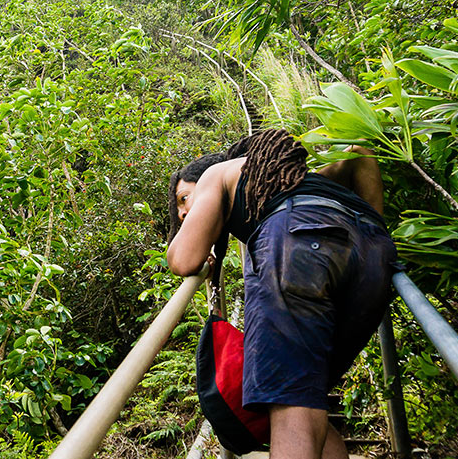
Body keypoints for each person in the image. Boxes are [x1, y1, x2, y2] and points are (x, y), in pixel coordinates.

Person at [166, 129, 396, 459]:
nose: (185, 213)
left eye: (185, 200)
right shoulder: (299, 180)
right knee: (305, 394)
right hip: (375, 257)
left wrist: (194, 237)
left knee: (292, 407)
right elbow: (360, 149)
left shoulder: (217, 175)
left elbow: (182, 259)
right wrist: (374, 228)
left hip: (296, 245)